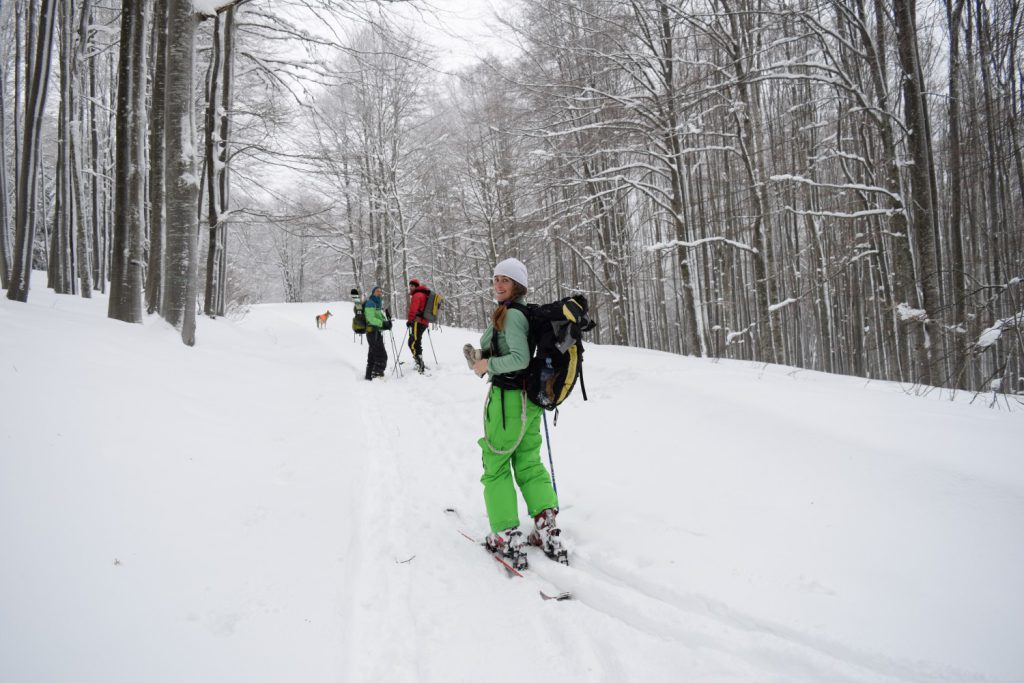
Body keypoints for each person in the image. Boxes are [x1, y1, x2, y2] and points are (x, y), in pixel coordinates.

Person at [469, 257, 565, 570]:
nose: (498, 284)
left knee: (495, 465)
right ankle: (546, 525)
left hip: (509, 403)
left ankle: (506, 535)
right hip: (529, 402)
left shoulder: (511, 316)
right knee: (528, 463)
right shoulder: (517, 312)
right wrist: (483, 354)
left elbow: (520, 359)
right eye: (496, 278)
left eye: (505, 280)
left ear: (517, 286)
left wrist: (488, 366)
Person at [363, 286, 389, 380]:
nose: (379, 293)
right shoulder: (370, 303)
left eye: (380, 292)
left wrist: (386, 322)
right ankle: (376, 374)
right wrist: (382, 323)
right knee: (381, 355)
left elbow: (378, 317)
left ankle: (369, 376)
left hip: (376, 331)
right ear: (373, 292)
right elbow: (370, 319)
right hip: (372, 331)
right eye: (377, 291)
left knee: (373, 354)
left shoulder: (377, 303)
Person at [406, 279, 430, 374]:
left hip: (417, 322)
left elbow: (413, 310)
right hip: (424, 322)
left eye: (412, 286)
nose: (410, 287)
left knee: (413, 342)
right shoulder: (424, 294)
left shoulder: (417, 295)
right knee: (416, 341)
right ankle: (419, 361)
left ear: (416, 287)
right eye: (410, 286)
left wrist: (410, 320)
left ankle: (420, 364)